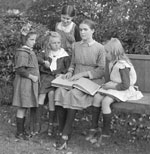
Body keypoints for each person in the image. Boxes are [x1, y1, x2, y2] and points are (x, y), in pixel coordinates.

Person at [54, 19, 106, 150]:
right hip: (75, 78)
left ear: (92, 31)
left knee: (73, 94)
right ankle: (61, 129)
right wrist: (70, 72)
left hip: (91, 80)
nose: (82, 32)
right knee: (59, 91)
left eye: (85, 30)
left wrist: (83, 74)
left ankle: (65, 135)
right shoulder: (76, 45)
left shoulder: (100, 48)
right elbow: (73, 63)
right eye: (81, 29)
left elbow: (101, 70)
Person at [88, 38, 143, 145]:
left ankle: (105, 133)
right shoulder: (111, 61)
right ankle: (93, 128)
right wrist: (106, 84)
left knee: (105, 101)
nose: (105, 54)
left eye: (107, 52)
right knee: (97, 97)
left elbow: (125, 85)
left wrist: (111, 86)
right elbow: (109, 78)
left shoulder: (123, 65)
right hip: (113, 86)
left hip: (124, 89)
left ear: (114, 52)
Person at [37, 31, 71, 136]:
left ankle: (51, 123)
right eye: (54, 43)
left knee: (52, 95)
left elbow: (67, 68)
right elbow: (37, 58)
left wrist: (62, 74)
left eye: (58, 43)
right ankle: (37, 122)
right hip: (45, 77)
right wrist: (44, 62)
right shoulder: (46, 53)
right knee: (41, 95)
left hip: (56, 79)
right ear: (49, 44)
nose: (56, 45)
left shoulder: (64, 54)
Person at [12, 31, 40, 140]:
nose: (34, 42)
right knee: (22, 106)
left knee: (24, 106)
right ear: (25, 40)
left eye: (34, 39)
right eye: (31, 39)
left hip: (27, 84)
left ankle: (22, 131)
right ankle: (19, 132)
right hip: (24, 83)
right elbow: (20, 69)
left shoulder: (29, 51)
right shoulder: (23, 52)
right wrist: (32, 77)